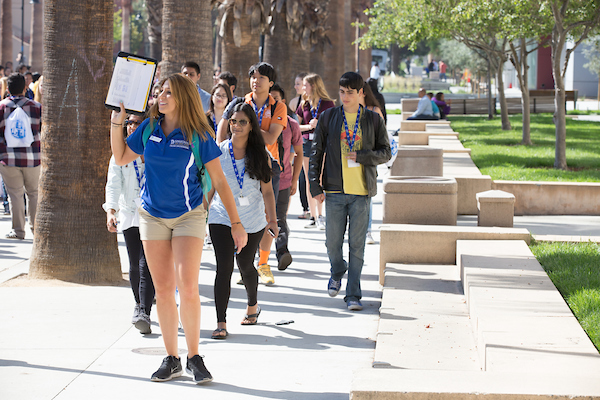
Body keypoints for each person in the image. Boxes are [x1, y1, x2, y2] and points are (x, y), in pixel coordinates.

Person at [110, 73, 248, 384]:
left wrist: (236, 224)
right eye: (160, 91)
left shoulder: (198, 134)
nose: (161, 96)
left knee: (187, 288)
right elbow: (120, 157)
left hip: (189, 215)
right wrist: (116, 123)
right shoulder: (148, 128)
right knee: (162, 291)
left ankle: (194, 356)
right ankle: (171, 358)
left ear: (182, 97)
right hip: (152, 216)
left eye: (169, 92)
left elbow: (221, 182)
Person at [309, 72, 391, 311]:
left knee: (357, 246)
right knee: (332, 243)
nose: (345, 97)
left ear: (361, 93)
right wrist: (315, 185)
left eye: (350, 93)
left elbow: (386, 152)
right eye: (342, 92)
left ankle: (353, 294)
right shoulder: (328, 118)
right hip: (334, 191)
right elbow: (316, 153)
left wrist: (363, 156)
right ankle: (337, 269)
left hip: (362, 193)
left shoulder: (373, 120)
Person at [208, 102, 277, 339]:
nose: (236, 126)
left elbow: (267, 191)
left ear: (251, 126)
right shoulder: (218, 150)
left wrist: (273, 221)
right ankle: (221, 322)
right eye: (233, 121)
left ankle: (252, 306)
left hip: (252, 219)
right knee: (224, 267)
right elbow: (212, 185)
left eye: (242, 122)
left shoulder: (261, 155)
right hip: (221, 216)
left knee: (245, 264)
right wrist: (203, 210)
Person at [216, 62, 288, 285]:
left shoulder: (278, 107)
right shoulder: (240, 102)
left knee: (267, 215)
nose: (256, 81)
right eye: (253, 77)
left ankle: (263, 263)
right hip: (236, 164)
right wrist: (225, 149)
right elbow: (224, 126)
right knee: (238, 215)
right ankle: (245, 263)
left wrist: (245, 127)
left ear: (271, 83)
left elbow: (271, 138)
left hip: (266, 164)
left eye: (261, 77)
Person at [104, 114, 155, 334]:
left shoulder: (155, 150)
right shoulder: (120, 154)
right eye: (129, 123)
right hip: (129, 213)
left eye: (136, 123)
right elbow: (113, 184)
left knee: (147, 263)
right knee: (135, 262)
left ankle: (144, 310)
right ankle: (139, 305)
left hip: (153, 214)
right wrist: (111, 211)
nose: (131, 127)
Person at [0, 73, 42, 239]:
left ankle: (18, 231)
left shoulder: (2, 107)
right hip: (33, 158)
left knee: (15, 195)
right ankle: (36, 230)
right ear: (25, 88)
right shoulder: (36, 107)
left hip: (8, 158)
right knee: (34, 194)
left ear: (8, 89)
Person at [269, 84, 303, 271]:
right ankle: (260, 256)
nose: (273, 102)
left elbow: (298, 153)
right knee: (261, 217)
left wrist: (294, 179)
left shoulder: (292, 124)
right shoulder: (258, 122)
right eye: (270, 98)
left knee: (279, 217)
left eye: (276, 98)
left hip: (283, 180)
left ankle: (282, 252)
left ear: (283, 101)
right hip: (261, 180)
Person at [296, 73, 335, 230]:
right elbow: (296, 126)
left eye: (305, 84)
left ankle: (321, 215)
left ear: (314, 85)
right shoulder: (304, 104)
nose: (303, 88)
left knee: (319, 178)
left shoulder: (328, 104)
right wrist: (308, 127)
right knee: (307, 178)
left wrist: (319, 124)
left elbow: (334, 125)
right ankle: (313, 216)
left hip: (322, 144)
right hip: (306, 143)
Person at [360, 83, 385, 246]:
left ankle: (367, 231)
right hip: (348, 158)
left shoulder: (374, 111)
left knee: (367, 195)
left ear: (361, 92)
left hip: (368, 159)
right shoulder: (344, 111)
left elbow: (382, 136)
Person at [287, 72, 310, 220]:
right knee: (300, 176)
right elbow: (293, 126)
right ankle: (305, 207)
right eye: (295, 83)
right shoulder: (294, 103)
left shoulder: (312, 103)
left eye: (299, 83)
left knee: (307, 177)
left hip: (307, 143)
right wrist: (308, 127)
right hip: (297, 142)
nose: (296, 86)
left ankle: (310, 208)